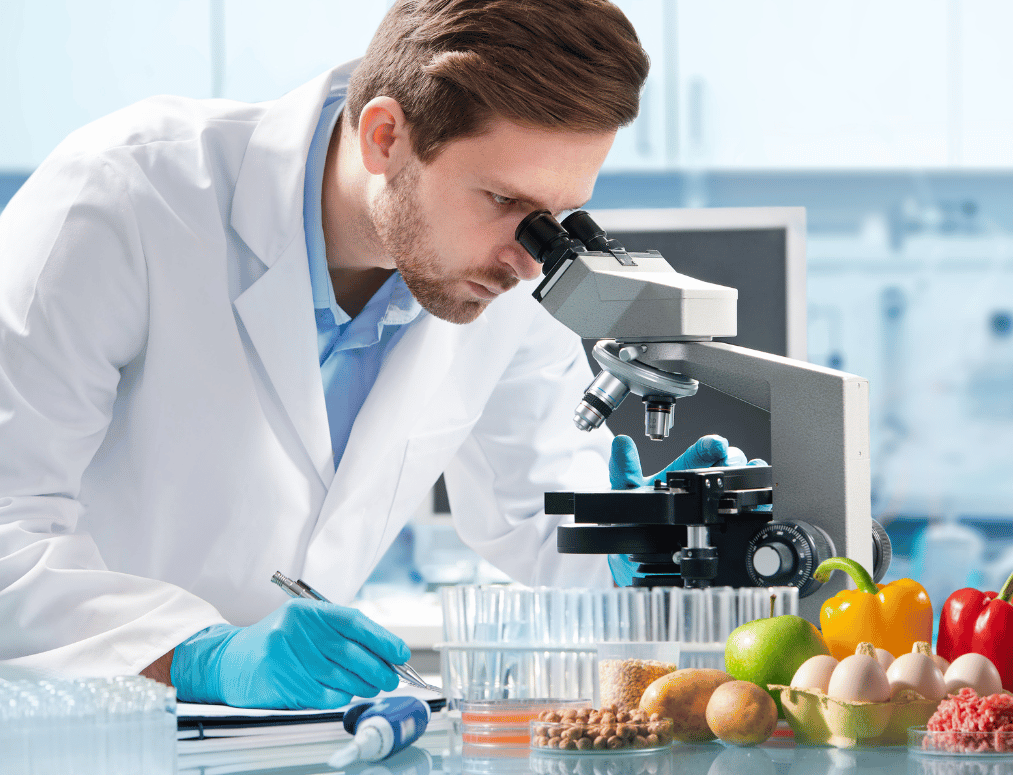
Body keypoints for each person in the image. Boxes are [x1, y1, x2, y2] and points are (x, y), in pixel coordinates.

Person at [0, 0, 745, 709]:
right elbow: (8, 529)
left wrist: (646, 540)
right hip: (91, 725)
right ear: (385, 137)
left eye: (553, 217)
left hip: (292, 736)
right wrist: (199, 655)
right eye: (503, 201)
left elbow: (533, 505)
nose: (529, 260)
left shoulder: (502, 267)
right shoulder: (122, 200)